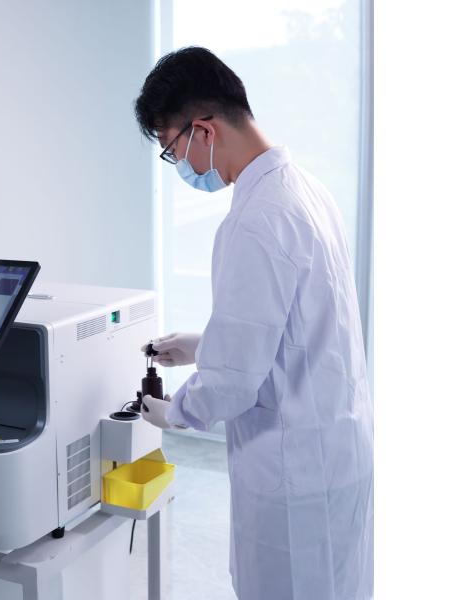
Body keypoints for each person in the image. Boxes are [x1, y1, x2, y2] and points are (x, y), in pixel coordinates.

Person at [134, 47, 373, 600]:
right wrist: (203, 345)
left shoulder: (255, 220)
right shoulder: (305, 189)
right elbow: (301, 327)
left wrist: (175, 412)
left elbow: (232, 383)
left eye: (171, 149)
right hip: (338, 451)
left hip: (294, 474)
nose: (180, 165)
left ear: (203, 130)